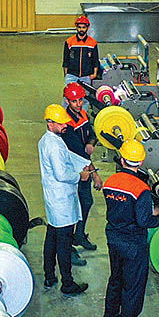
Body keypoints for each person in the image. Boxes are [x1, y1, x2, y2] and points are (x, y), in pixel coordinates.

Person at [102, 140, 159, 317]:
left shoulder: (110, 181)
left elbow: (121, 209)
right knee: (133, 288)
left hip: (113, 239)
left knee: (115, 280)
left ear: (122, 159)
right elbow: (144, 221)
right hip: (133, 244)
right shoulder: (141, 189)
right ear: (141, 162)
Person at [39, 104, 94, 296]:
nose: (65, 126)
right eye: (61, 123)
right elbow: (62, 174)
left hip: (54, 199)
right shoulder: (53, 145)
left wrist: (83, 163)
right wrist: (80, 176)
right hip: (61, 200)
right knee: (63, 243)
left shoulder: (49, 140)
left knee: (52, 237)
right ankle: (68, 284)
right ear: (50, 123)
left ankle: (49, 276)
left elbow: (66, 157)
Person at [61, 82, 102, 253]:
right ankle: (68, 245)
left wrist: (91, 143)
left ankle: (78, 235)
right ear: (67, 101)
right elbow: (79, 152)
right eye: (74, 101)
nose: (78, 104)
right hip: (75, 171)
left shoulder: (83, 114)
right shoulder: (66, 124)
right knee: (74, 207)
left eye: (80, 100)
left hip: (84, 168)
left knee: (86, 202)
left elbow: (92, 134)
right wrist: (95, 174)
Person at [63, 16, 100, 84]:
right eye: (79, 27)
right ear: (76, 27)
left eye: (83, 27)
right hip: (72, 75)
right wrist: (66, 74)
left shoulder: (93, 43)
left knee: (85, 91)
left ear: (87, 28)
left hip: (86, 76)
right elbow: (66, 59)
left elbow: (95, 60)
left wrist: (94, 74)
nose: (81, 29)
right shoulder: (69, 42)